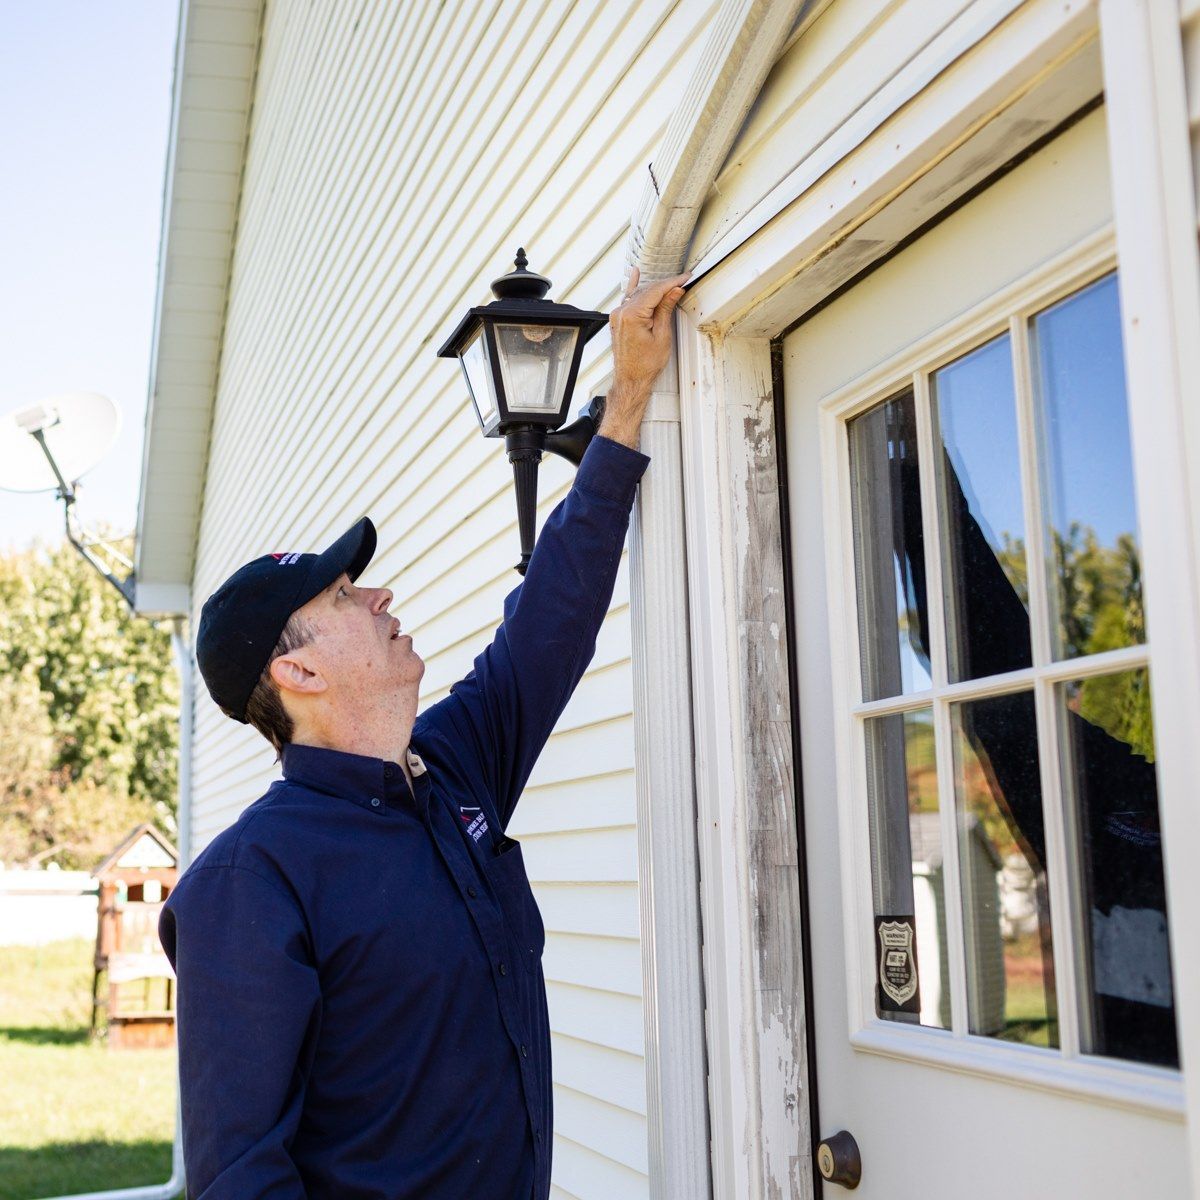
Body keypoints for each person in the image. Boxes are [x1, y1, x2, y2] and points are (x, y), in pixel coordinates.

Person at [158, 266, 690, 1199]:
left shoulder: (449, 772)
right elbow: (242, 1180)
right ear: (299, 672)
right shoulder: (248, 886)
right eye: (343, 596)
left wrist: (632, 396)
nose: (382, 594)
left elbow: (549, 621)